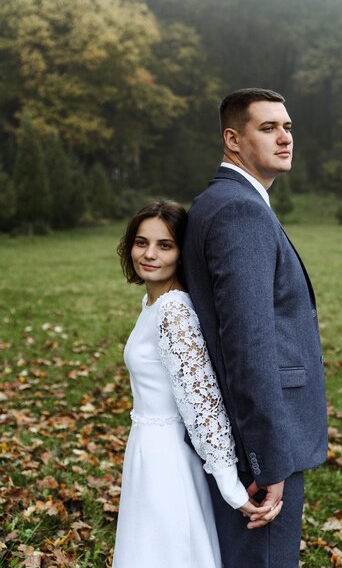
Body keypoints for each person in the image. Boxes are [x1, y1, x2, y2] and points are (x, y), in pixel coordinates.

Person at [183, 88, 328, 567]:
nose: (284, 137)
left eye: (287, 127)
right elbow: (247, 345)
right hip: (259, 446)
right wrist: (269, 458)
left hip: (245, 436)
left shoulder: (223, 201)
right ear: (233, 139)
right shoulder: (240, 211)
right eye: (268, 128)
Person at [112, 199, 281, 568]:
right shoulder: (152, 303)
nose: (150, 254)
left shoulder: (174, 311)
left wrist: (232, 488)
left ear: (181, 253)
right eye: (142, 242)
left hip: (167, 458)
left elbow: (201, 402)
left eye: (165, 245)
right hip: (146, 447)